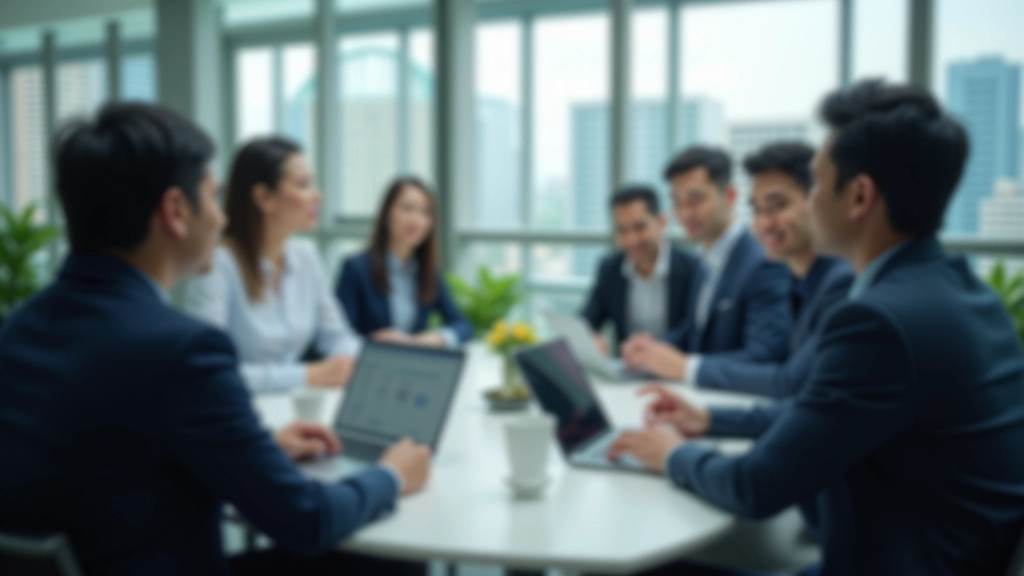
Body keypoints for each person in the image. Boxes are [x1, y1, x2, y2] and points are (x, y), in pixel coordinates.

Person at [608, 80, 1024, 576]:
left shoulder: (880, 322)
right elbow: (820, 411)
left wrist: (674, 455)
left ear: (859, 196)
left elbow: (756, 486)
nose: (808, 202)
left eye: (817, 183)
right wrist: (710, 419)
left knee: (637, 568)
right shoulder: (967, 294)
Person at [0, 103, 432, 576]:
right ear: (175, 211)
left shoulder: (19, 329)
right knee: (393, 565)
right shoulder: (181, 350)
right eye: (212, 197)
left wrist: (255, 447)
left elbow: (116, 452)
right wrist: (391, 475)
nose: (222, 218)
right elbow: (307, 520)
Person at [186, 137, 360, 393]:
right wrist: (307, 375)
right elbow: (209, 368)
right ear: (264, 197)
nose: (317, 196)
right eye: (303, 184)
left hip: (295, 405)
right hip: (237, 406)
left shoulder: (306, 256)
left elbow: (337, 337)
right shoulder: (216, 264)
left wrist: (357, 362)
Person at [696, 142, 854, 398]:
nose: (764, 223)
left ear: (815, 201)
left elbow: (792, 385)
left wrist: (690, 373)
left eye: (777, 206)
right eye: (757, 210)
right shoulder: (795, 279)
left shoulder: (841, 283)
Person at [621, 146, 790, 382]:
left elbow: (764, 356)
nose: (685, 213)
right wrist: (650, 349)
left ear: (729, 196)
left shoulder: (762, 264)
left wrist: (686, 367)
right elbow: (694, 331)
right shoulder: (705, 258)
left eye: (695, 200)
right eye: (677, 202)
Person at [335, 176, 472, 347]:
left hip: (413, 363)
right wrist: (375, 343)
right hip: (368, 362)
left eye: (425, 212)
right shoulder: (355, 269)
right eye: (407, 208)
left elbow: (464, 326)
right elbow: (338, 338)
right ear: (387, 213)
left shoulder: (428, 273)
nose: (416, 220)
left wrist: (423, 341)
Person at [579, 185, 700, 354]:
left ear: (661, 223)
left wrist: (651, 350)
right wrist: (589, 338)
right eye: (622, 230)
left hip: (676, 366)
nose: (631, 240)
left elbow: (694, 330)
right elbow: (586, 321)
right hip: (628, 368)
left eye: (639, 227)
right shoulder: (610, 268)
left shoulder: (692, 268)